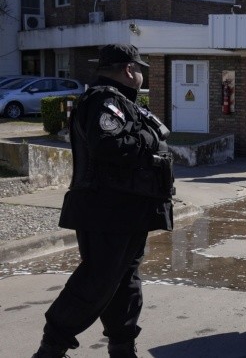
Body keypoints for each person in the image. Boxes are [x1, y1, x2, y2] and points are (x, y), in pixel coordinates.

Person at [33, 44, 175, 358]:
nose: (141, 74)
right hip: (106, 211)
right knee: (97, 280)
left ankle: (122, 347)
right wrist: (151, 138)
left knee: (124, 281)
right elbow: (109, 144)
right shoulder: (105, 100)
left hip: (127, 211)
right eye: (139, 69)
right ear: (128, 70)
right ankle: (51, 347)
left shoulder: (119, 101)